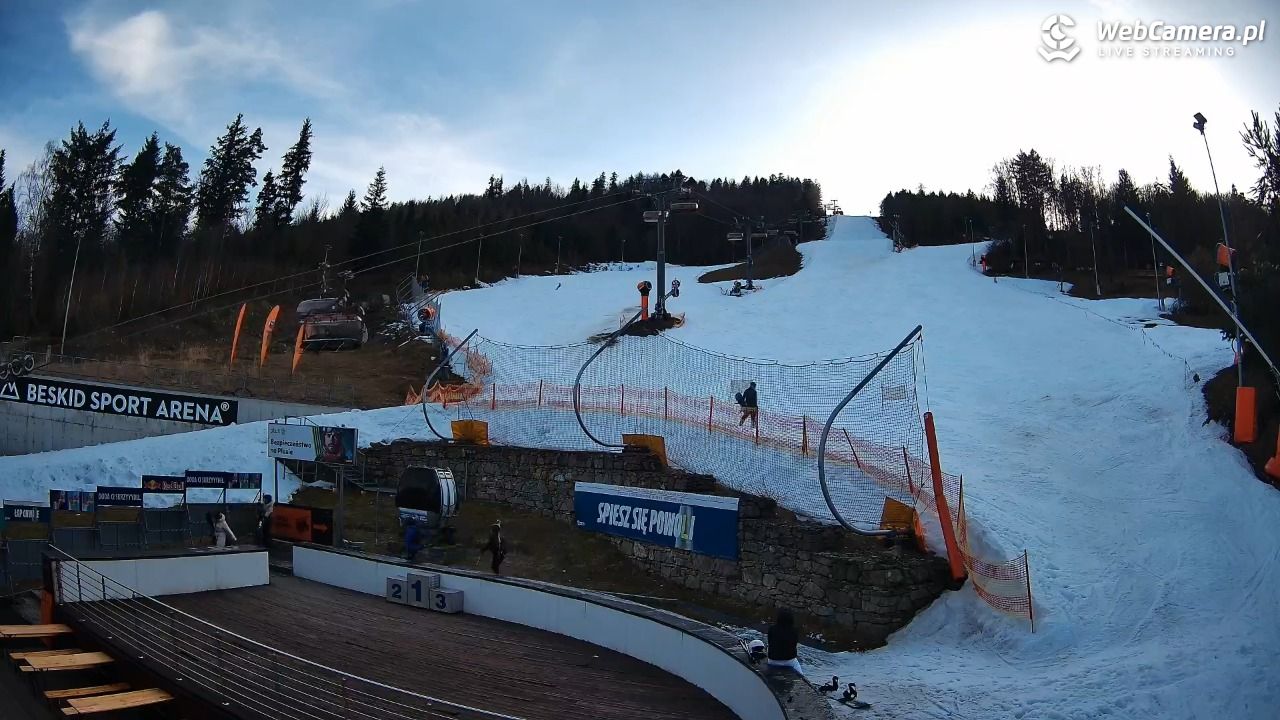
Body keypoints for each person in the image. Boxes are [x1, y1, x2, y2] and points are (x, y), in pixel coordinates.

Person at [766, 609, 803, 675]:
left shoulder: (772, 629)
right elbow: (794, 645)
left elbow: (769, 642)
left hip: (773, 660)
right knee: (801, 675)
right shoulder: (794, 631)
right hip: (789, 661)